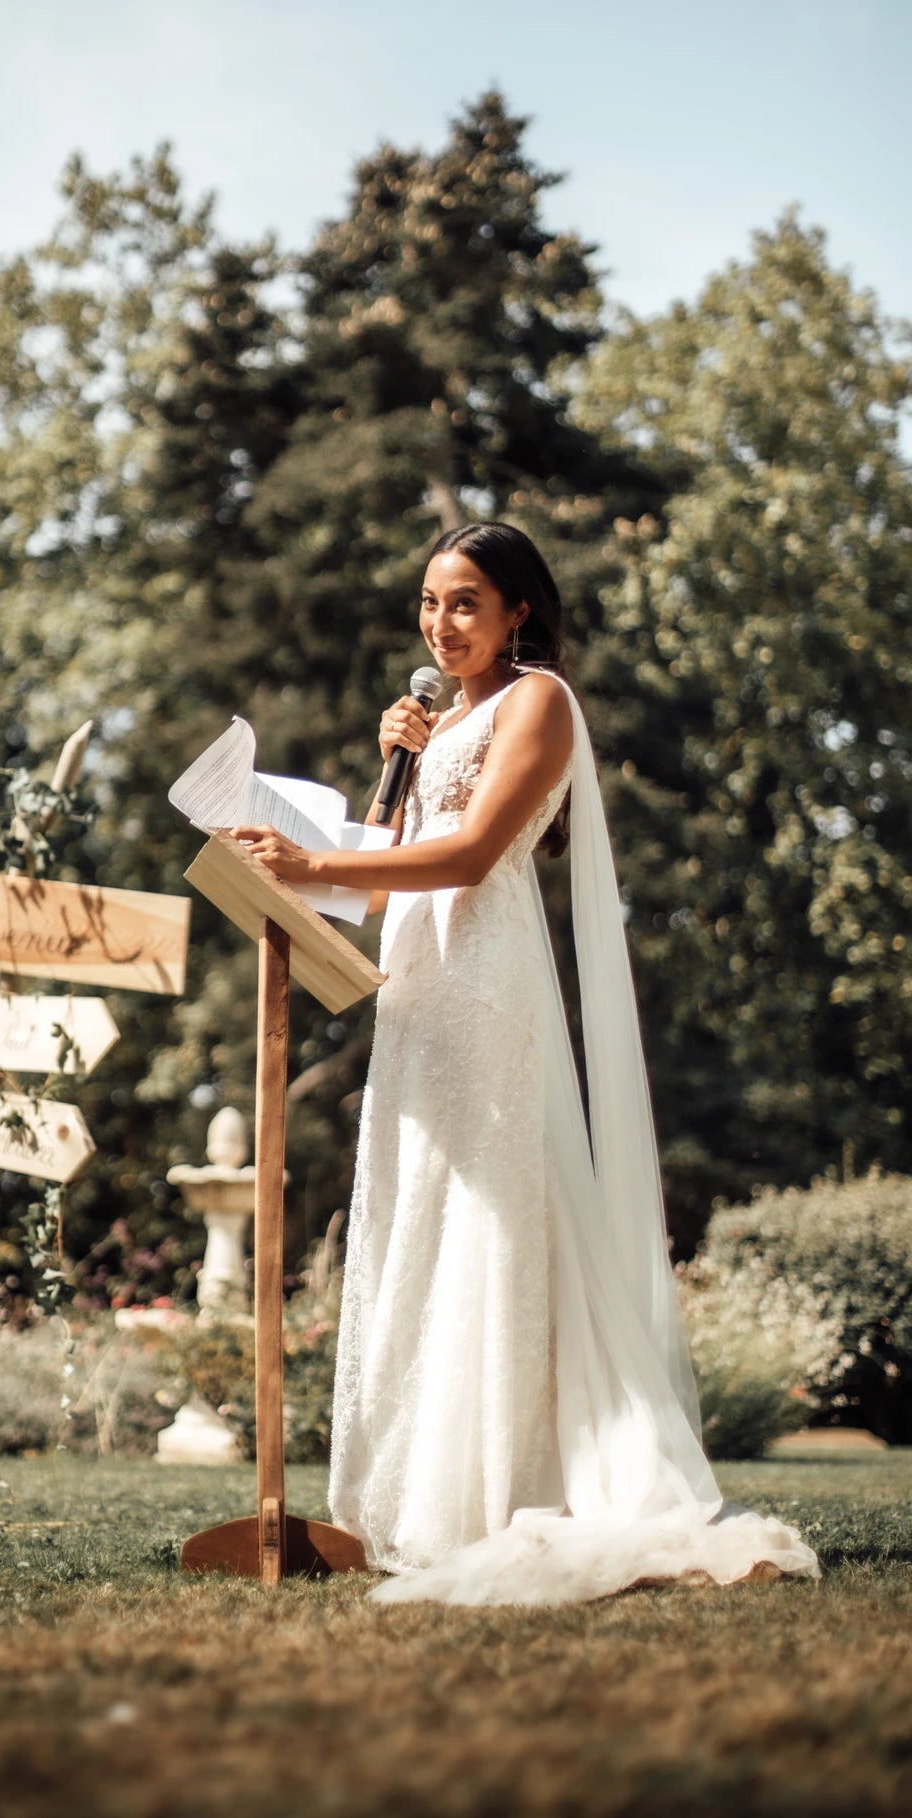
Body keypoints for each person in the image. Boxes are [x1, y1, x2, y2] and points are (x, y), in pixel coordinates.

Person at [233, 521, 817, 1607]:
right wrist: (350, 802)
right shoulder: (432, 724)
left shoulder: (537, 702)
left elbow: (470, 852)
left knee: (492, 1215)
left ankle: (501, 1487)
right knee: (416, 1213)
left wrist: (314, 853)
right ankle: (405, 1497)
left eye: (463, 602)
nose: (439, 623)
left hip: (484, 984)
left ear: (517, 612)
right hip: (410, 989)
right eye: (425, 602)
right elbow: (367, 886)